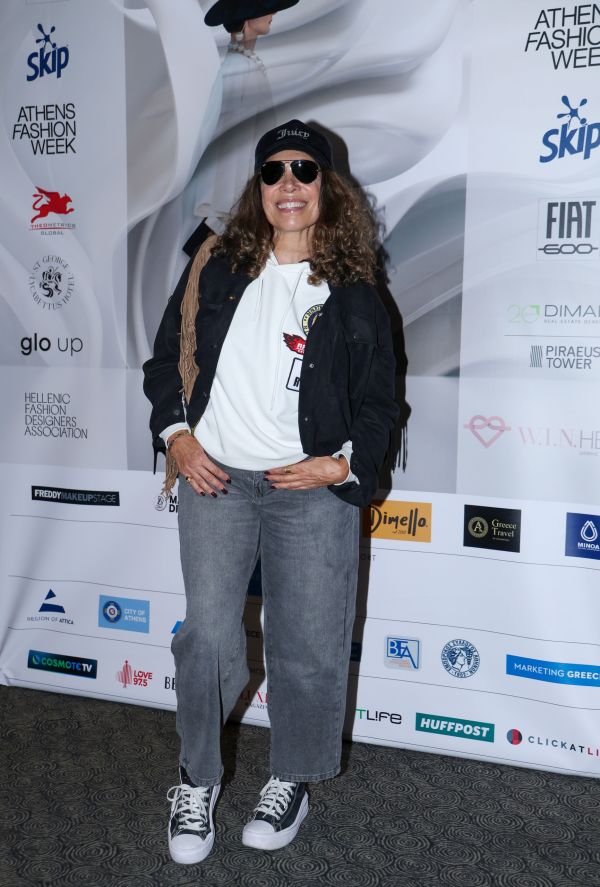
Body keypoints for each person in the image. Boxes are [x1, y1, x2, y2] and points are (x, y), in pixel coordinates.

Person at [143, 118, 399, 864]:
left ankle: (291, 777)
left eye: (304, 170)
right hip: (216, 477)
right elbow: (165, 361)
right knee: (207, 636)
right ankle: (196, 780)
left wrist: (341, 465)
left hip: (309, 488)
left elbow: (379, 402)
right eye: (273, 171)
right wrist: (178, 437)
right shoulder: (218, 266)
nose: (289, 183)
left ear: (327, 187)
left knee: (310, 643)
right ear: (258, 188)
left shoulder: (355, 291)